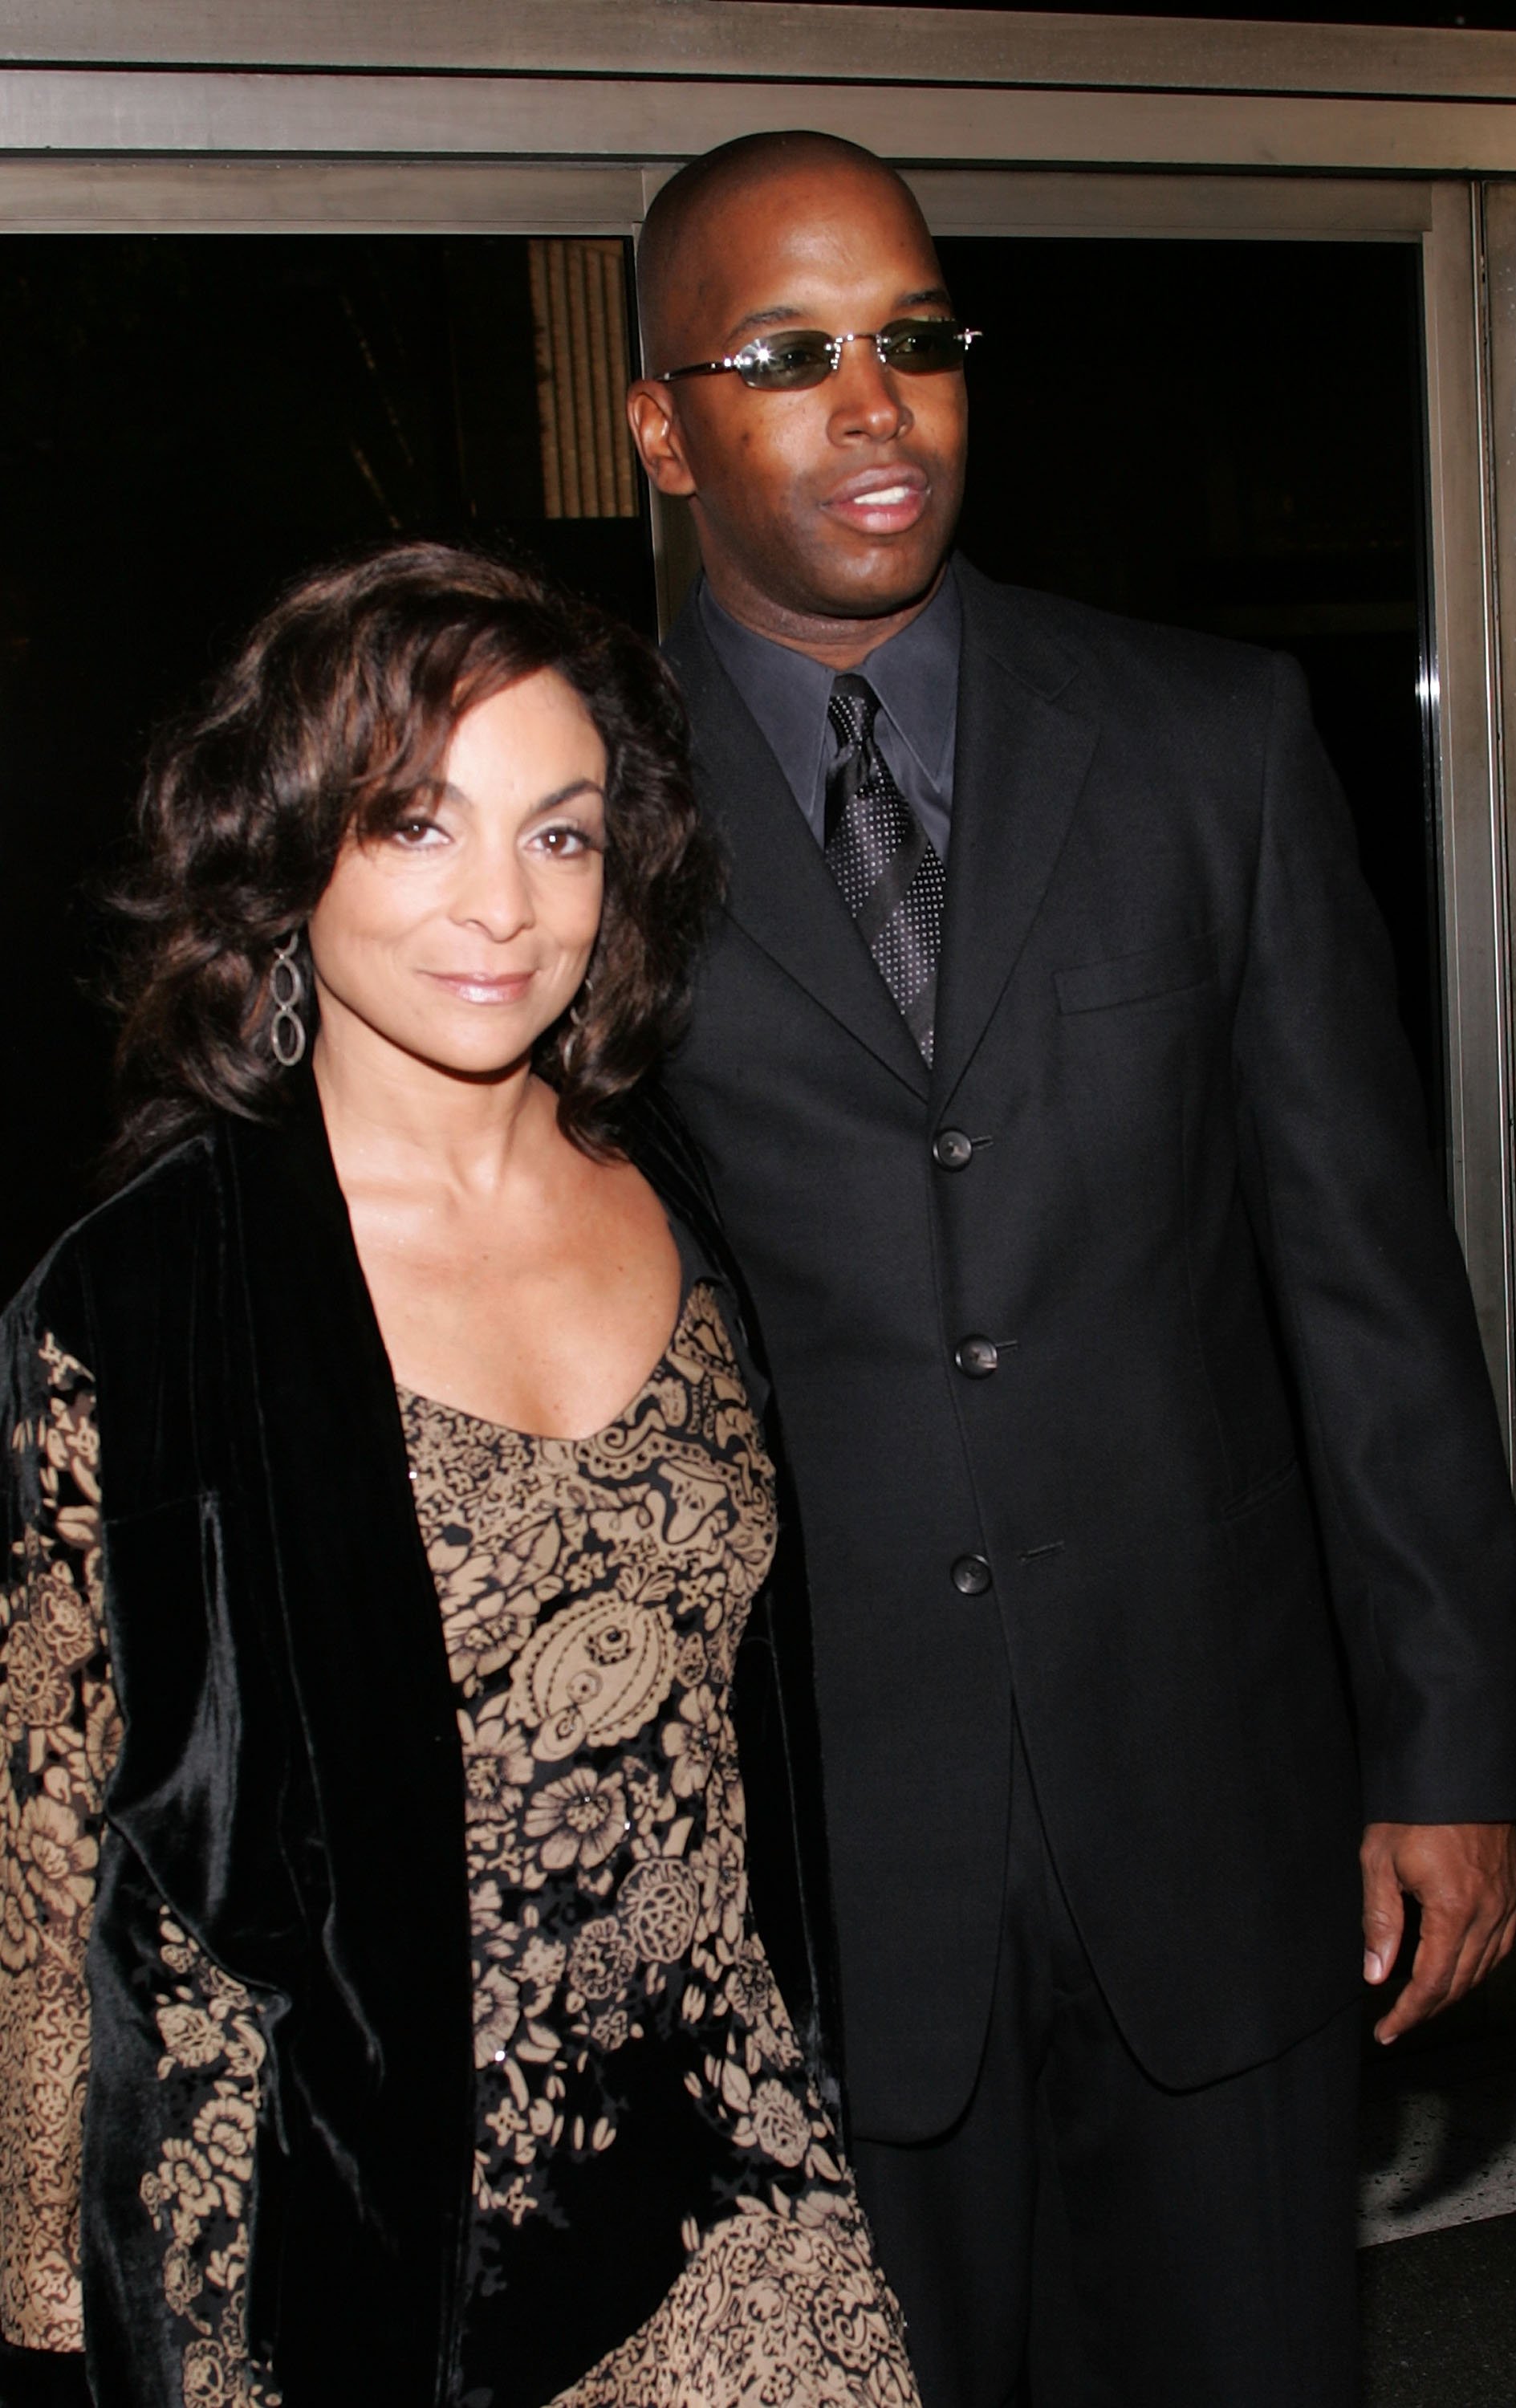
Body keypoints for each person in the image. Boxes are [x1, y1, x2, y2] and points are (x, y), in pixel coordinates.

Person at [626, 130, 1516, 2407]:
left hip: (1211, 1819)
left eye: (916, 341)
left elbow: (1363, 1291)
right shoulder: (571, 813)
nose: (874, 405)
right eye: (789, 355)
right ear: (660, 425)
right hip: (808, 1870)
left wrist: (1446, 1748)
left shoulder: (1201, 741)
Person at [0, 542, 921, 2408]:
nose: (502, 906)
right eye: (419, 826)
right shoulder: (139, 1299)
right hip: (329, 2252)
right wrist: (43, 2328)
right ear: (286, 853)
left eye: (561, 836)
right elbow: (29, 1870)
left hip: (736, 2200)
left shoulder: (673, 1194)